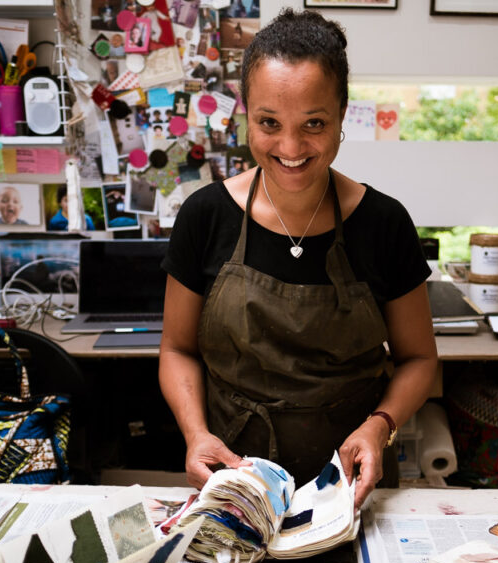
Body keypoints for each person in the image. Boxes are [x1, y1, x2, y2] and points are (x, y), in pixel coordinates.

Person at [159, 9, 437, 510]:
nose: (290, 148)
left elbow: (419, 359)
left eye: (313, 124)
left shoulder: (384, 223)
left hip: (350, 483)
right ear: (246, 114)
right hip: (234, 479)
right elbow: (177, 349)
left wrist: (380, 427)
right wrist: (196, 434)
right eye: (269, 123)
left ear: (341, 116)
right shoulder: (205, 216)